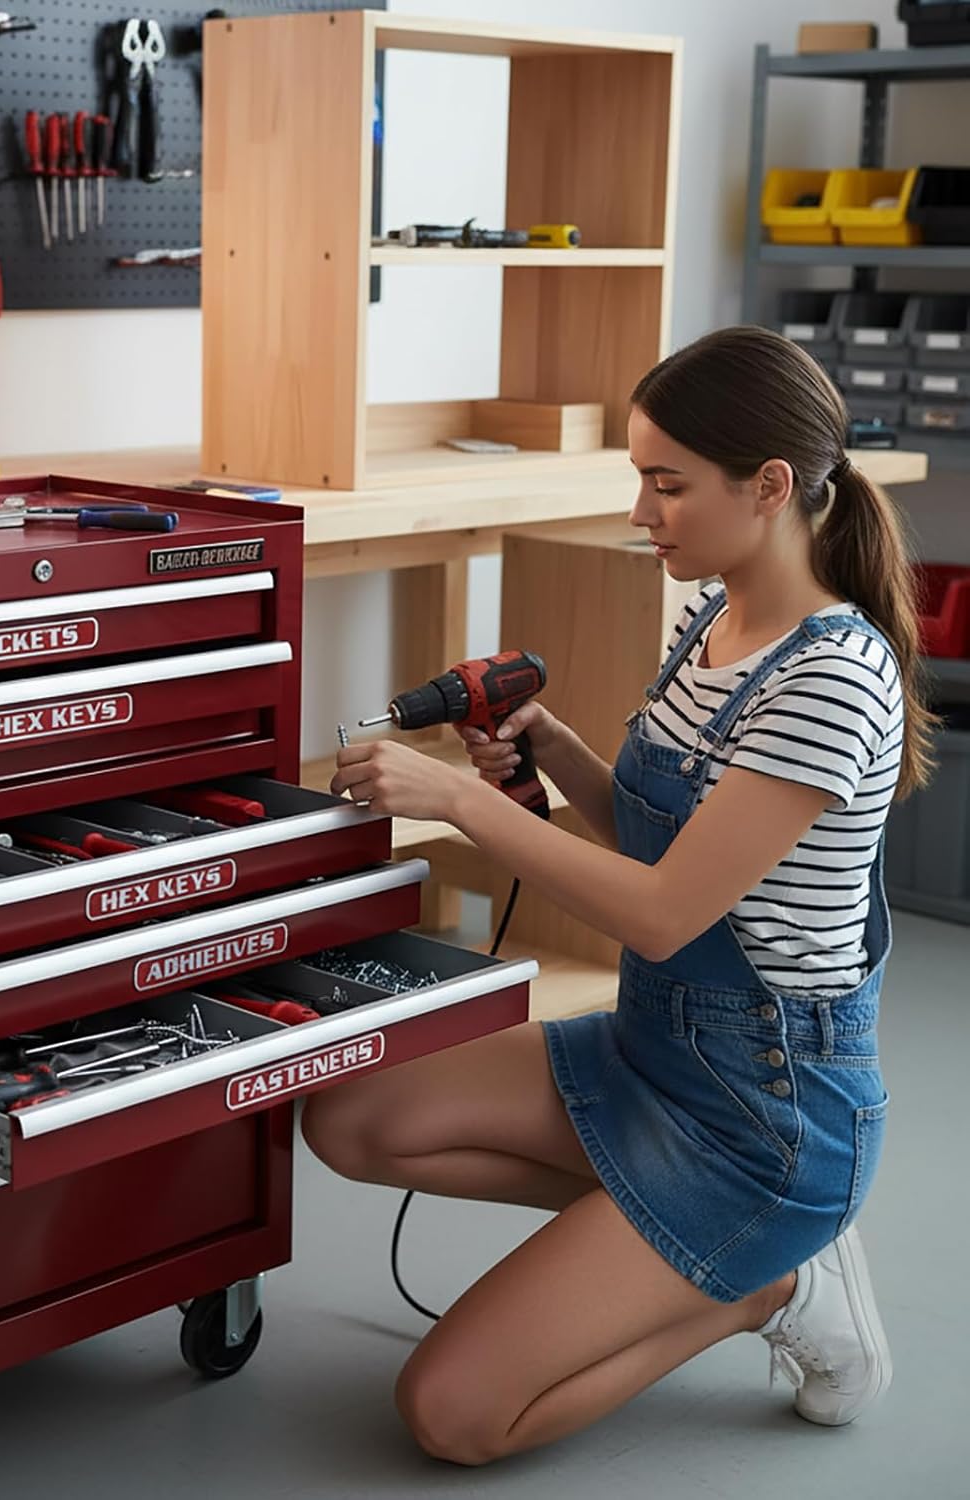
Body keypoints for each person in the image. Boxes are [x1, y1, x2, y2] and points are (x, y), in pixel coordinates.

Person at [310, 325, 933, 1467]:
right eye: (638, 479)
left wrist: (462, 803)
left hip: (764, 1114)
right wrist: (553, 750)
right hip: (654, 1049)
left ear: (771, 487)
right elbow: (671, 847)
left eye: (666, 484)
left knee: (453, 1415)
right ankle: (681, 1250)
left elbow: (662, 914)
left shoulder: (832, 677)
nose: (642, 514)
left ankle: (767, 1284)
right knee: (349, 1116)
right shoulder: (718, 614)